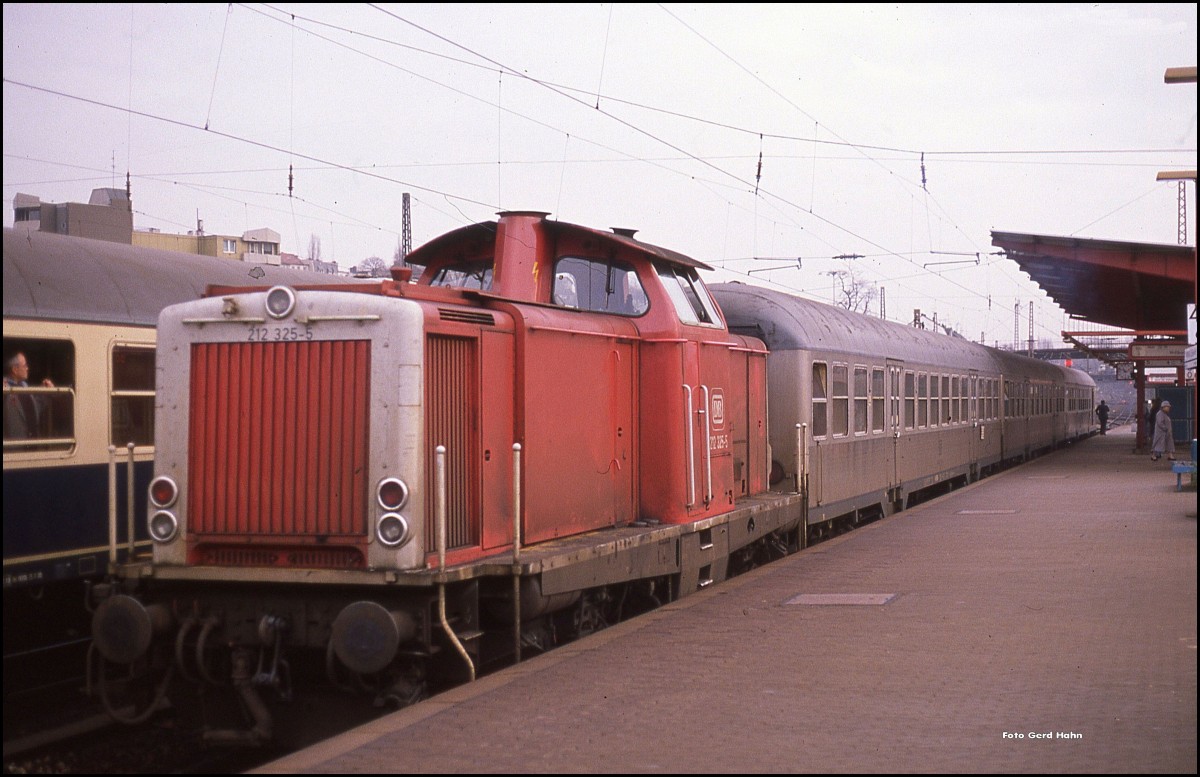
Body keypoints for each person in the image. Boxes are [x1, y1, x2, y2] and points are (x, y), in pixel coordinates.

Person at [3, 352, 54, 440]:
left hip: (32, 444)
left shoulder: (25, 387)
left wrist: (46, 392)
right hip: (14, 448)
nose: (27, 368)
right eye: (24, 365)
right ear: (15, 369)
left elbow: (35, 409)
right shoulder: (5, 387)